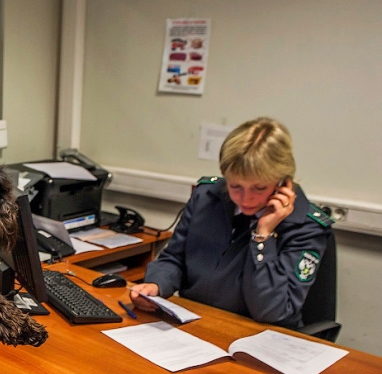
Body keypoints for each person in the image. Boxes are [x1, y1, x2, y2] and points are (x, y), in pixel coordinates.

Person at [130, 117, 332, 328]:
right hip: (197, 323)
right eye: (235, 186)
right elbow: (174, 258)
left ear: (283, 182)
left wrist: (263, 236)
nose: (246, 199)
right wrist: (156, 284)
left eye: (259, 188)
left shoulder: (306, 226)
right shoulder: (207, 197)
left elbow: (272, 311)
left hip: (261, 337)